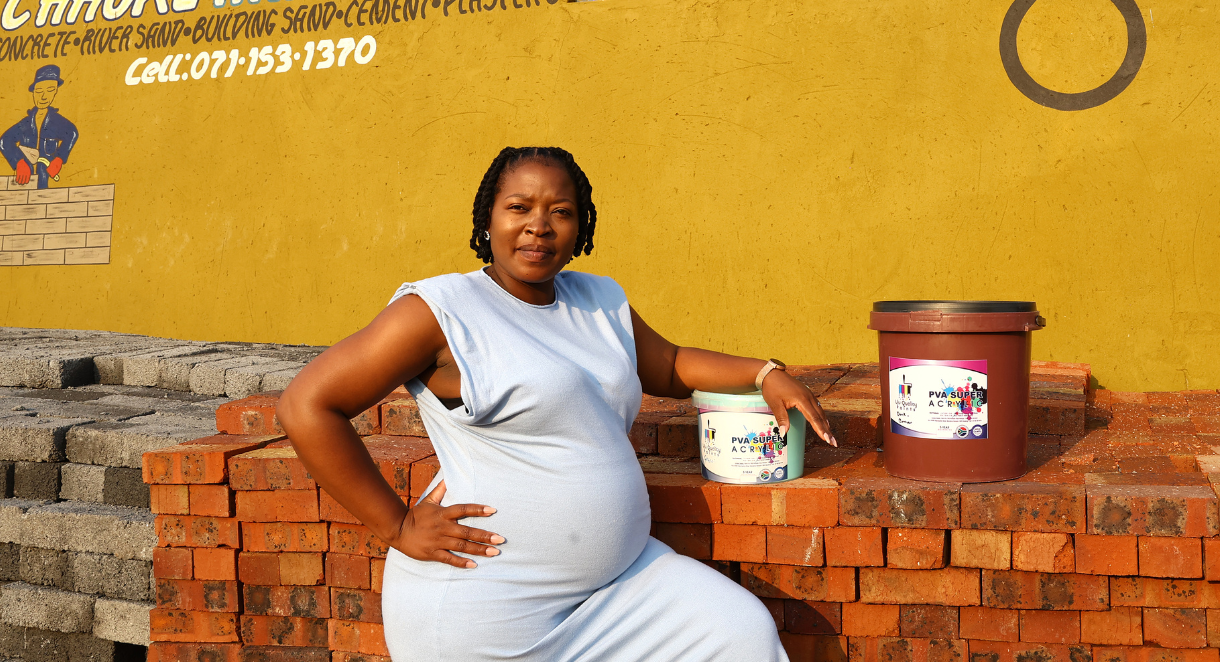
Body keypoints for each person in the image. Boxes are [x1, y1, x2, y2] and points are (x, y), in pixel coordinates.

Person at [278, 146, 834, 662]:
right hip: (487, 605)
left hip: (620, 590)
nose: (538, 226)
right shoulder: (442, 309)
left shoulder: (598, 299)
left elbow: (666, 364)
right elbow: (307, 405)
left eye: (560, 211)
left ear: (581, 224)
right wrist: (396, 526)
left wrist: (764, 374)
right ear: (488, 218)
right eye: (518, 207)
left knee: (737, 632)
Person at [1, 65, 79, 189]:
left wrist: (59, 159)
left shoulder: (57, 122)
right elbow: (4, 140)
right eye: (39, 91)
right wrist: (18, 162)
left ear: (55, 91)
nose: (43, 96)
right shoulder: (25, 124)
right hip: (25, 184)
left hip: (47, 186)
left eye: (49, 90)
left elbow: (72, 133)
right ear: (33, 91)